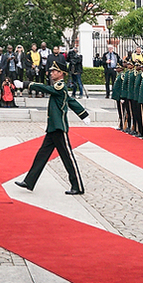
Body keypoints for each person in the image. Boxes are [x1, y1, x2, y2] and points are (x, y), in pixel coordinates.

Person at [13, 59, 90, 194]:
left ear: (61, 73)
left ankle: (77, 186)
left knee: (68, 158)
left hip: (59, 128)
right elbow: (71, 101)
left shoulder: (59, 86)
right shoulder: (59, 87)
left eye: (54, 71)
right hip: (53, 128)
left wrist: (26, 84)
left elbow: (45, 88)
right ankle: (29, 181)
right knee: (41, 155)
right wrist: (83, 114)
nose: (51, 73)